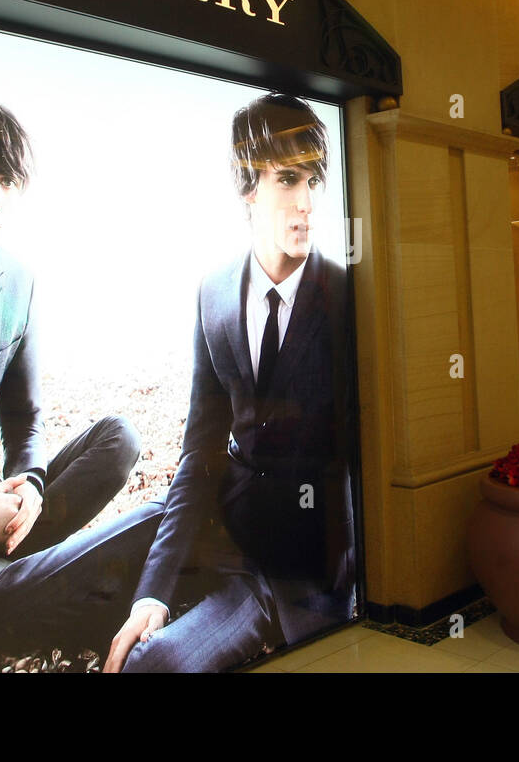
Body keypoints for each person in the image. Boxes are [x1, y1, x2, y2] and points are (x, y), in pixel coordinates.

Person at [0, 96, 161, 663]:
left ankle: (20, 576)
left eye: (6, 179)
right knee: (154, 521)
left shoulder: (17, 281)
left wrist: (31, 486)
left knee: (120, 438)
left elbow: (24, 416)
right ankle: (12, 593)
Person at [105, 92, 357, 673]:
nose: (307, 203)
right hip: (233, 555)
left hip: (319, 572)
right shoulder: (212, 293)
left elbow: (368, 452)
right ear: (249, 188)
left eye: (315, 181)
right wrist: (153, 592)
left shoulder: (348, 297)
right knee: (150, 665)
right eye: (288, 181)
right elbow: (200, 450)